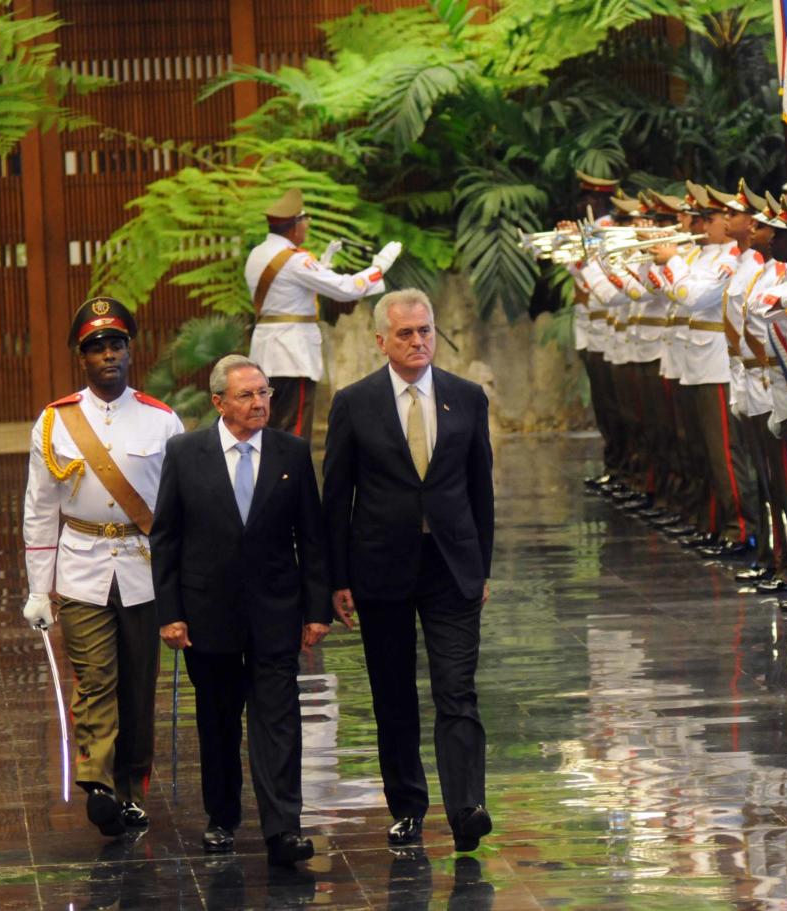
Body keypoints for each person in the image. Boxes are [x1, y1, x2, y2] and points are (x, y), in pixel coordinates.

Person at [321, 288, 495, 852]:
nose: (419, 341)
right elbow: (337, 495)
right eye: (406, 334)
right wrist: (337, 578)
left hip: (451, 565)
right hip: (381, 567)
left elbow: (480, 488)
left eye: (425, 331)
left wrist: (481, 566)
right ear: (381, 341)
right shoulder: (355, 402)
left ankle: (466, 804)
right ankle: (407, 807)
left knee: (456, 688)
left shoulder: (466, 398)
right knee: (392, 692)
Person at [149, 354, 337, 866]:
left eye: (264, 393)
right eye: (247, 395)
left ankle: (283, 828)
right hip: (207, 616)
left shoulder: (291, 452)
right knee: (218, 722)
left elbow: (312, 537)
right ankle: (222, 819)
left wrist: (317, 608)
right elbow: (166, 538)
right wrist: (170, 612)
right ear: (218, 402)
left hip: (276, 613)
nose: (259, 403)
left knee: (279, 722)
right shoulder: (186, 453)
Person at [22, 296, 184, 837]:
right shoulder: (56, 421)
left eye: (116, 344)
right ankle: (96, 780)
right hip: (82, 567)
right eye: (96, 348)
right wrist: (39, 591)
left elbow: (182, 505)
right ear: (82, 358)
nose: (108, 355)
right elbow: (41, 508)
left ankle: (131, 785)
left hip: (143, 568)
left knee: (139, 685)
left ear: (129, 351)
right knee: (95, 679)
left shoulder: (162, 420)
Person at [245, 187, 402, 440]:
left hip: (265, 353)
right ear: (294, 226)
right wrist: (379, 267)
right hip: (292, 355)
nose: (307, 226)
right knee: (293, 431)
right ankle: (290, 479)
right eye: (305, 220)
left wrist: (323, 264)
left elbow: (286, 291)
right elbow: (347, 289)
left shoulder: (257, 254)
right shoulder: (296, 260)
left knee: (268, 428)